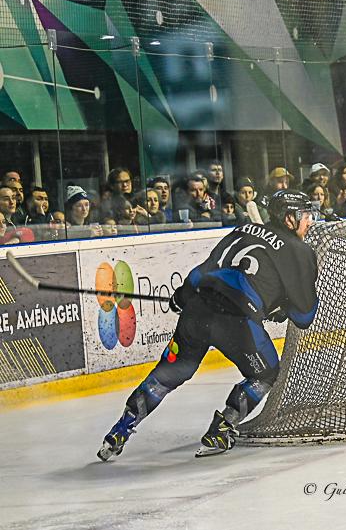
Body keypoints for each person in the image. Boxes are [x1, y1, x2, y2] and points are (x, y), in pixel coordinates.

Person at [97, 190, 320, 461]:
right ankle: (221, 429)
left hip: (197, 309)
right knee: (266, 373)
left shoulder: (243, 230)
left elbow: (200, 272)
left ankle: (120, 430)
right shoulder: (300, 250)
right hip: (237, 321)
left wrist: (181, 297)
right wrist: (281, 307)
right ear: (289, 218)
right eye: (305, 215)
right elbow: (304, 317)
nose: (310, 221)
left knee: (170, 372)